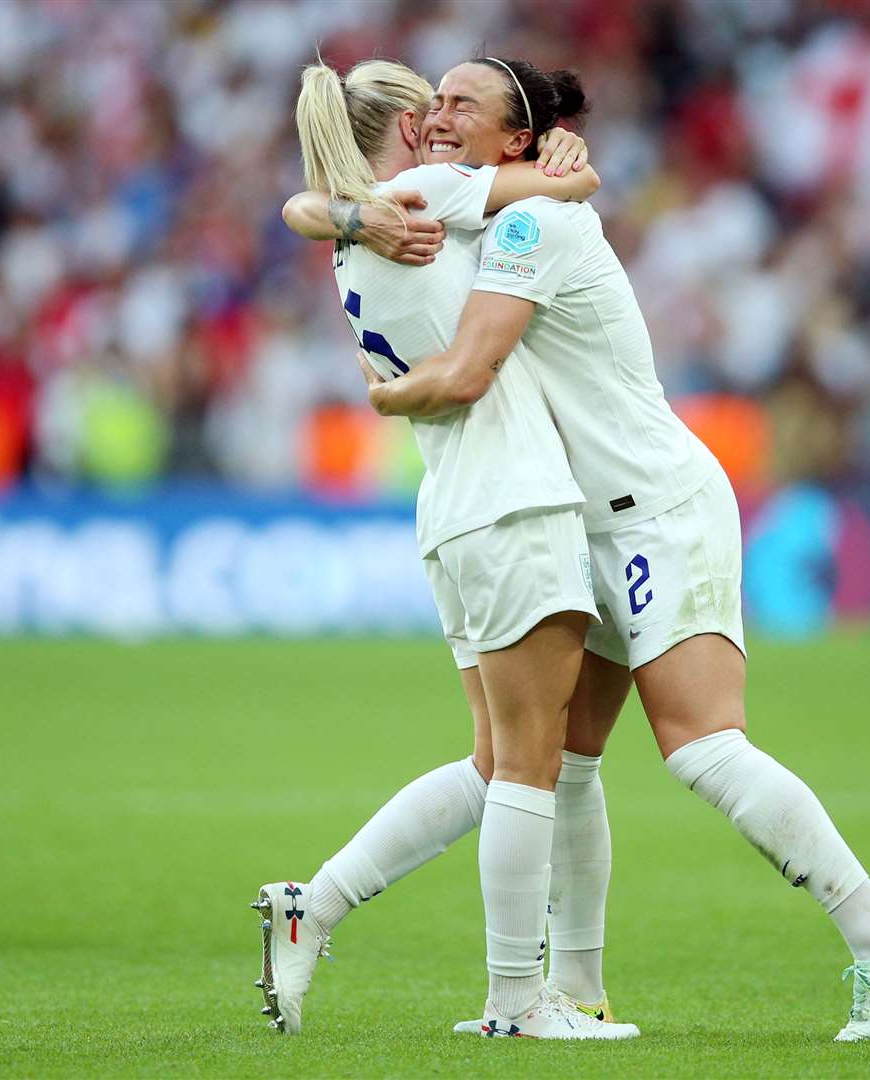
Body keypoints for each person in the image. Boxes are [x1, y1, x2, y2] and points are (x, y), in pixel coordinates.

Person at [288, 55, 870, 1042]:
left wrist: (385, 395)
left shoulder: (529, 221)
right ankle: (578, 990)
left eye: (463, 101)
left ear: (517, 138)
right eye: (434, 101)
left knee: (702, 746)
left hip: (656, 506)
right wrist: (342, 213)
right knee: (561, 763)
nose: (440, 113)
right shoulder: (476, 204)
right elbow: (334, 202)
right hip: (578, 516)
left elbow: (465, 367)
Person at [257, 55, 638, 1042]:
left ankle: (318, 903)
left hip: (454, 505)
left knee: (494, 759)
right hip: (514, 498)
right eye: (435, 108)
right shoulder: (422, 192)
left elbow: (312, 207)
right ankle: (515, 1003)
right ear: (412, 123)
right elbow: (565, 186)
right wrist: (564, 151)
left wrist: (329, 208)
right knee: (529, 766)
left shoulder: (362, 227)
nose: (445, 122)